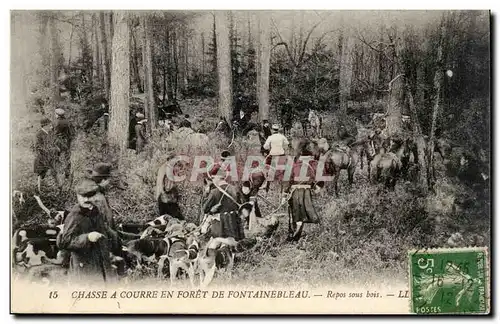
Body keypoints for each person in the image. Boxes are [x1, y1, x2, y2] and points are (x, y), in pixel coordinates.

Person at [57, 179, 120, 284]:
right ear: (77, 196)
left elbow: (104, 231)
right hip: (84, 269)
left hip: (101, 265)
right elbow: (65, 242)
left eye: (90, 196)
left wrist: (114, 237)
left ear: (95, 196)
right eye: (83, 196)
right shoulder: (75, 216)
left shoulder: (97, 213)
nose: (86, 199)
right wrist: (87, 238)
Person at [283, 139, 324, 242]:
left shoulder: (294, 162)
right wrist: (317, 186)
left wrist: (284, 193)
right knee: (303, 213)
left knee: (296, 214)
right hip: (306, 192)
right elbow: (320, 178)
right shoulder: (314, 163)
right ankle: (297, 235)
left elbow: (288, 179)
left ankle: (294, 235)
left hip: (294, 191)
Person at [155, 154, 184, 220]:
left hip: (168, 196)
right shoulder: (165, 168)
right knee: (170, 217)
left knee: (170, 217)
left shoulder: (169, 168)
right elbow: (161, 182)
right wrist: (163, 193)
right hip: (165, 196)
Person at [33, 118, 58, 192]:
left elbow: (53, 143)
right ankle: (39, 190)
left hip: (50, 157)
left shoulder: (49, 133)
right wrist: (48, 150)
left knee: (53, 172)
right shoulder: (38, 134)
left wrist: (56, 148)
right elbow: (38, 146)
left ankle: (55, 188)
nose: (51, 126)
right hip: (42, 157)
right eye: (49, 124)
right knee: (41, 174)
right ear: (44, 125)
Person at [54, 108, 74, 179]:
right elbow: (72, 133)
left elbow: (55, 134)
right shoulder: (68, 121)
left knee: (56, 157)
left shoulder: (58, 122)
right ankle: (67, 175)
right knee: (67, 158)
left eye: (55, 114)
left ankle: (57, 173)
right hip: (67, 142)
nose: (55, 115)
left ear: (58, 115)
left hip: (59, 142)